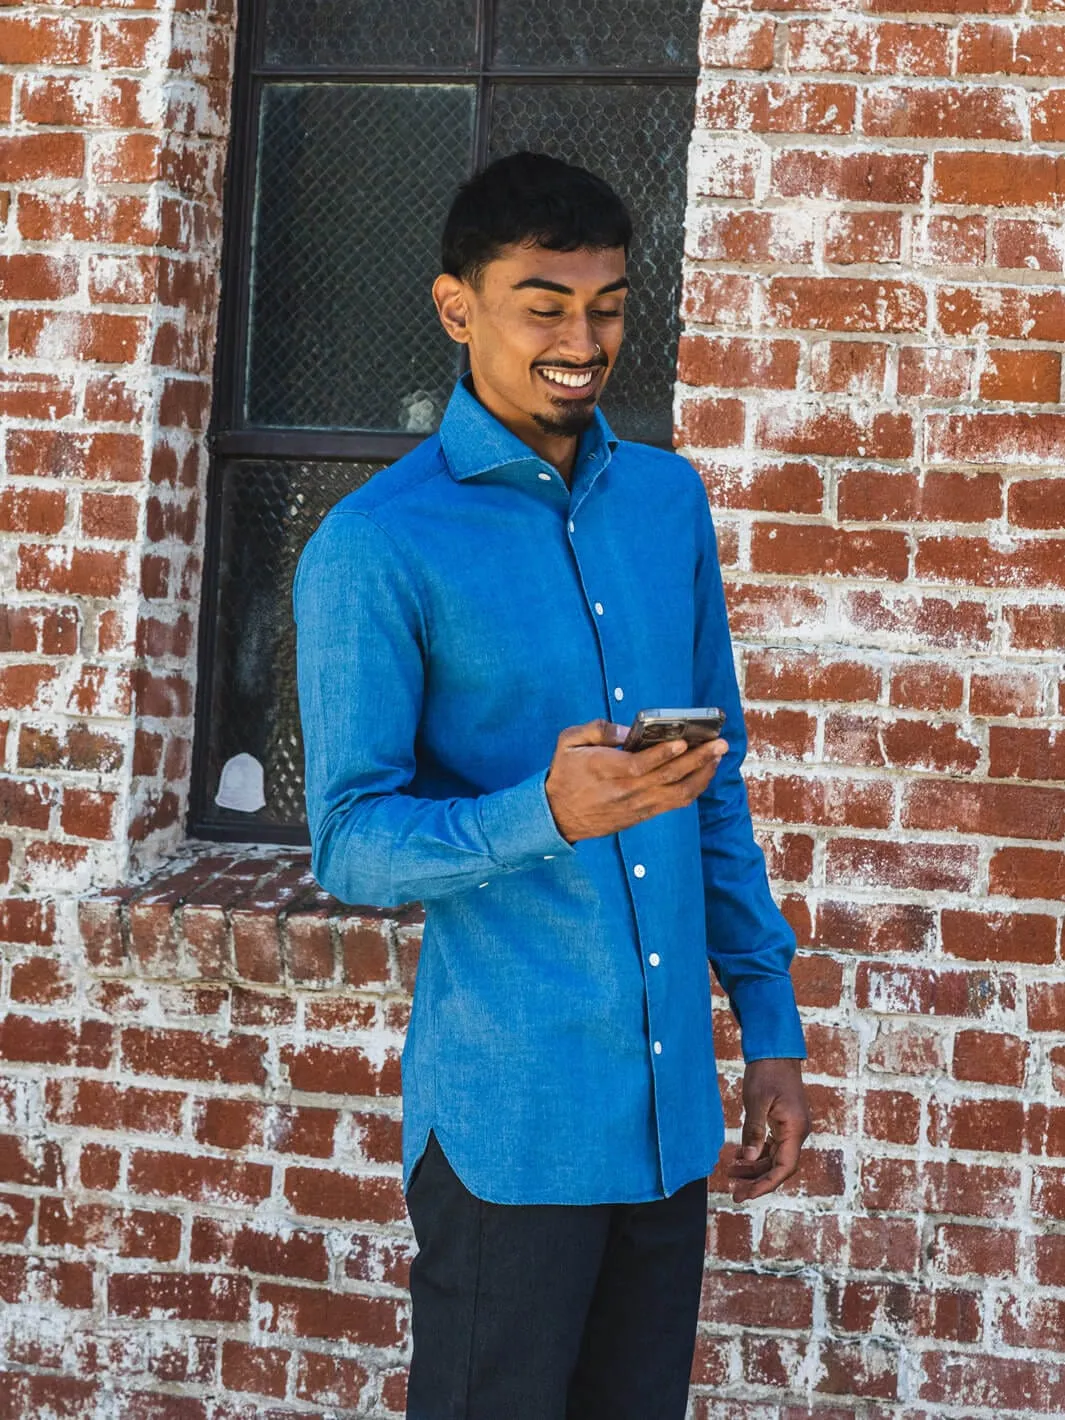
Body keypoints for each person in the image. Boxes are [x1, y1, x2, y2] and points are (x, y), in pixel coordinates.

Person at [294, 151, 810, 1420]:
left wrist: (772, 1020)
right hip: (510, 1131)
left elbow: (715, 791)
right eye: (545, 303)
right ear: (456, 306)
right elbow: (350, 845)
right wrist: (547, 811)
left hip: (665, 1113)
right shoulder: (375, 545)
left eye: (611, 304)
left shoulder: (668, 504)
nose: (584, 340)